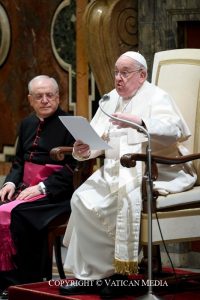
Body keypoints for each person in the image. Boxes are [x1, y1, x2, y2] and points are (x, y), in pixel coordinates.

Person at [59, 51, 197, 299]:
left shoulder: (157, 96)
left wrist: (140, 121)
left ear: (142, 75)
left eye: (125, 73)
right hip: (115, 170)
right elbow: (98, 140)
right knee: (81, 199)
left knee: (109, 203)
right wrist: (84, 149)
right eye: (116, 72)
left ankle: (118, 276)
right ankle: (91, 275)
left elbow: (174, 129)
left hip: (152, 170)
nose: (118, 79)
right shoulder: (110, 99)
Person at [0, 75, 76, 297]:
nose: (44, 100)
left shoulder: (73, 124)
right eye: (39, 96)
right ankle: (4, 280)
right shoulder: (27, 124)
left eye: (49, 95)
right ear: (30, 99)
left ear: (58, 97)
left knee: (20, 215)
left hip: (58, 194)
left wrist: (43, 187)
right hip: (26, 187)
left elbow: (75, 169)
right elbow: (19, 161)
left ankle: (23, 282)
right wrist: (11, 182)